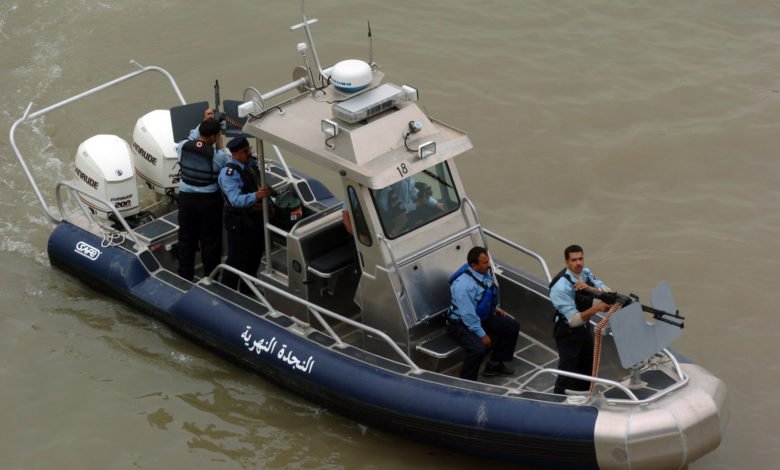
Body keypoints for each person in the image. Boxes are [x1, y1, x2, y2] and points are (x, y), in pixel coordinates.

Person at [447, 246, 520, 381]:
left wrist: (493, 308)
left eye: (488, 261)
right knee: (478, 349)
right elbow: (468, 315)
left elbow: (483, 295)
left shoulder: (483, 273)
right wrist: (482, 334)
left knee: (512, 326)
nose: (489, 265)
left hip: (481, 316)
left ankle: (495, 365)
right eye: (485, 262)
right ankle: (467, 380)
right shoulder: (463, 286)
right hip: (460, 323)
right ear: (474, 266)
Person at [549, 244, 612, 395]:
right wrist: (597, 308)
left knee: (588, 364)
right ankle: (558, 398)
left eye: (581, 259)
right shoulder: (560, 287)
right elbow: (573, 320)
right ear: (566, 262)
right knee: (567, 370)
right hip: (567, 333)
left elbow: (608, 292)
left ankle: (585, 393)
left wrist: (590, 289)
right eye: (573, 260)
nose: (578, 263)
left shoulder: (586, 273)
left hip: (584, 328)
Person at [176, 118, 230, 281]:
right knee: (210, 241)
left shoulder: (182, 146)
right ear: (214, 137)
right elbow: (225, 165)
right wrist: (220, 144)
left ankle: (185, 275)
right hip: (209, 202)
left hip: (186, 200)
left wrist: (204, 122)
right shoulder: (219, 156)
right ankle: (210, 277)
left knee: (186, 238)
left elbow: (192, 137)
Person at [218, 136, 269, 293]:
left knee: (255, 255)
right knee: (236, 259)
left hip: (256, 219)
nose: (248, 153)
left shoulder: (251, 164)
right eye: (244, 151)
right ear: (235, 154)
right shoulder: (229, 174)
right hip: (239, 222)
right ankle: (228, 291)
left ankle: (248, 289)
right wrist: (256, 196)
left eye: (249, 149)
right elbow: (235, 200)